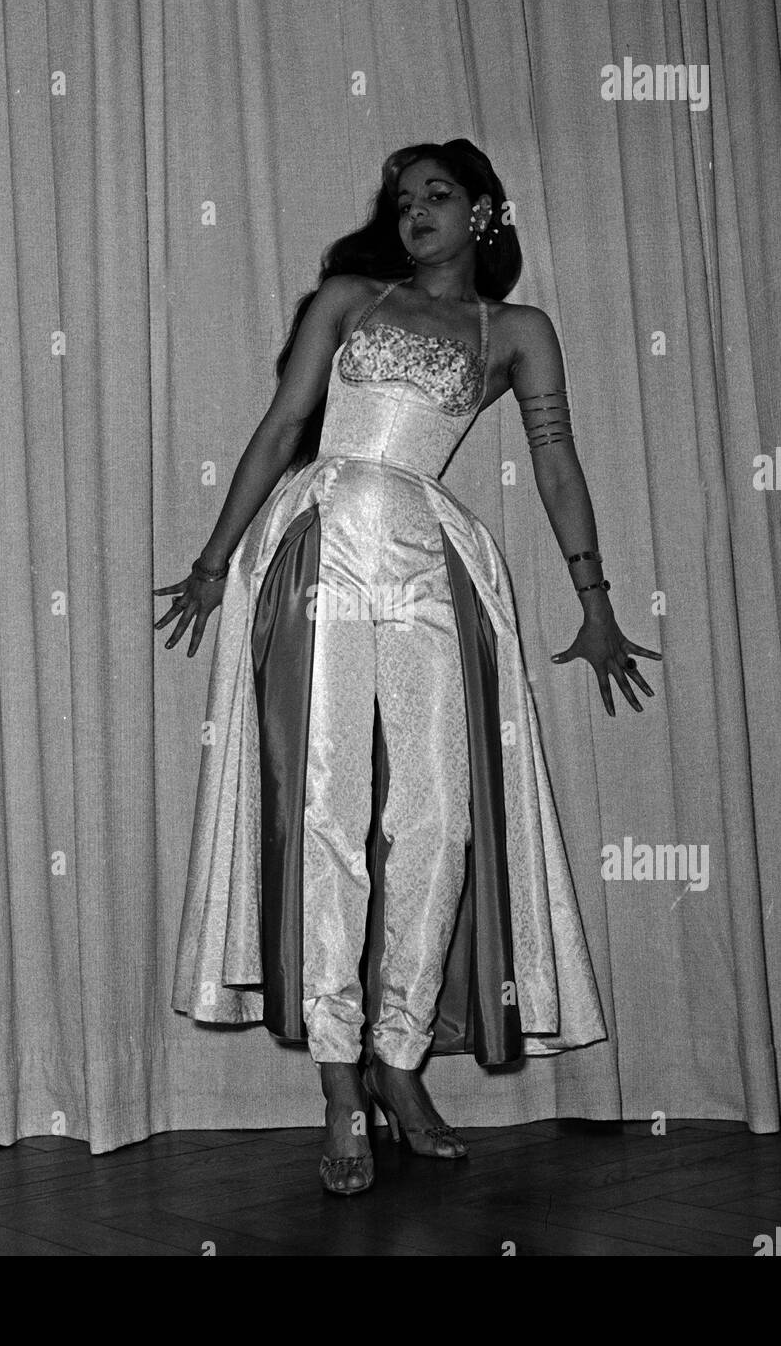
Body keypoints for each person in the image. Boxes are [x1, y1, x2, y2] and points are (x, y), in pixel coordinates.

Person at [157, 138, 661, 1196]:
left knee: (437, 815)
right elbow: (286, 423)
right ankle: (341, 1086)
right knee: (329, 804)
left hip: (434, 556)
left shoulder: (515, 330)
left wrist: (597, 604)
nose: (414, 211)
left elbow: (557, 457)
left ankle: (400, 1060)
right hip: (324, 542)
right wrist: (212, 562)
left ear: (482, 213)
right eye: (401, 198)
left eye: (437, 195)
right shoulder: (348, 298)